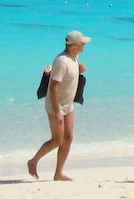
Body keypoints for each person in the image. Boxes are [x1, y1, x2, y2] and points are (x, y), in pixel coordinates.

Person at [28, 30, 90, 181]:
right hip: (56, 105)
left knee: (68, 137)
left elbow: (70, 74)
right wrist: (57, 112)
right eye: (82, 43)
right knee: (57, 140)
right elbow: (53, 87)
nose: (84, 46)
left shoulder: (74, 57)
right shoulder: (62, 61)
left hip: (67, 104)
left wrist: (79, 69)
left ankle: (58, 173)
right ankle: (33, 161)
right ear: (75, 45)